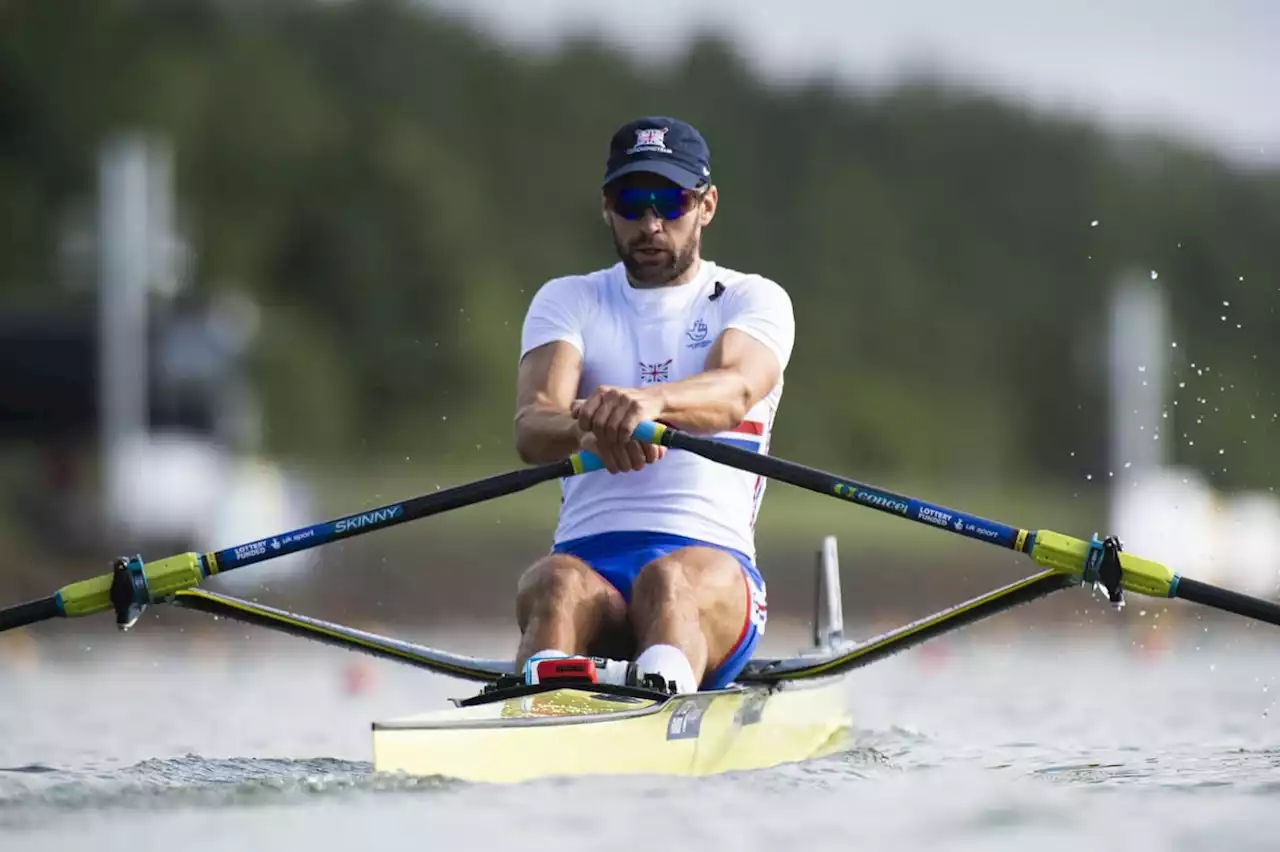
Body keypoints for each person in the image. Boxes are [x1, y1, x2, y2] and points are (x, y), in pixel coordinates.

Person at [512, 116, 795, 694]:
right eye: (630, 201)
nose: (649, 223)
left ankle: (660, 697)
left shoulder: (750, 299)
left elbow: (735, 389)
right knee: (553, 583)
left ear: (707, 204)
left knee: (667, 583)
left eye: (670, 201)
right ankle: (537, 714)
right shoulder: (569, 300)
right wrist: (583, 428)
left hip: (711, 571)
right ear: (606, 206)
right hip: (591, 566)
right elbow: (533, 427)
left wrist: (649, 403)